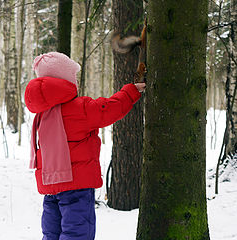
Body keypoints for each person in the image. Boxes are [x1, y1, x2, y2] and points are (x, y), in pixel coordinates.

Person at [24, 52, 146, 240]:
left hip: (50, 188)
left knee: (52, 234)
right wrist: (130, 92)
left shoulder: (42, 114)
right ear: (64, 81)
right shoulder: (79, 108)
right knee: (77, 233)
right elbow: (108, 109)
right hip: (76, 186)